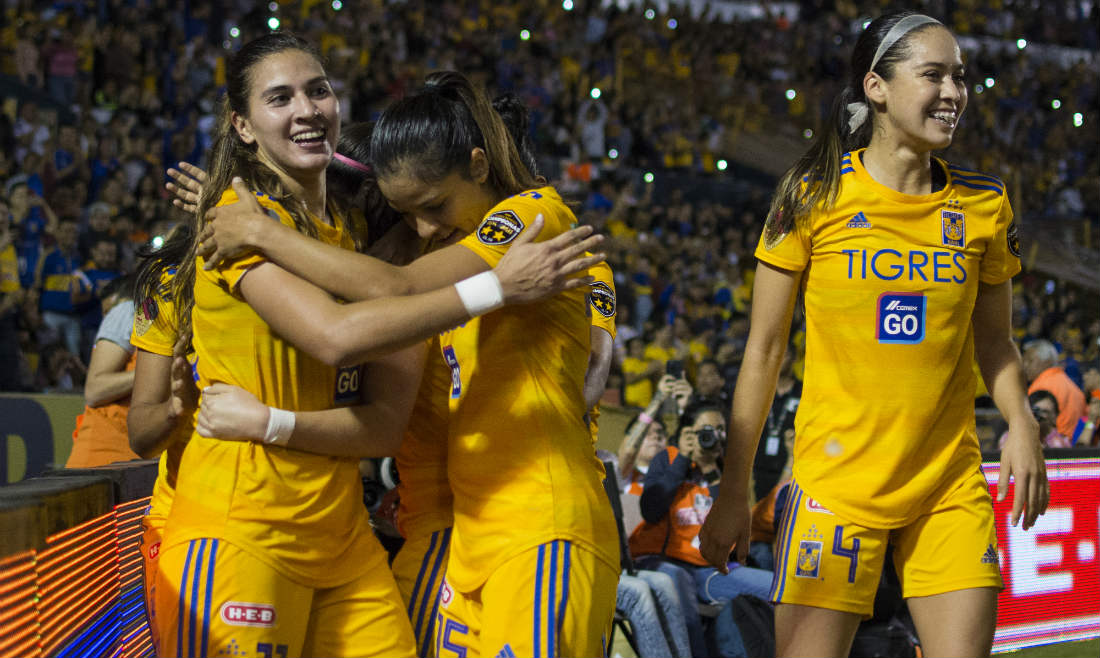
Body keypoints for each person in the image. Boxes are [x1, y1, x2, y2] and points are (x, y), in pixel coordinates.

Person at [197, 70, 618, 657]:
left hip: (543, 520)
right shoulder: (456, 249)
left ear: (477, 166)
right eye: (406, 214)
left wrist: (261, 232)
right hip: (472, 529)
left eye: (434, 206)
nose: (424, 227)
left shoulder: (531, 216)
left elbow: (394, 286)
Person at [697, 13, 1048, 658]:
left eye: (961, 78)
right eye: (934, 75)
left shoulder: (986, 205)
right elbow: (764, 350)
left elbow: (994, 342)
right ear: (877, 88)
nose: (954, 92)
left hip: (948, 484)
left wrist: (1021, 423)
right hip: (836, 490)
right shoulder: (810, 194)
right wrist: (733, 490)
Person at [65, 274, 142, 467]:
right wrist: (155, 372)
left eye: (108, 311)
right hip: (107, 459)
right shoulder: (126, 310)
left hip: (127, 459)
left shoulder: (129, 309)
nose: (107, 321)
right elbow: (95, 390)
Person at [1024, 339, 1087, 439]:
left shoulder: (1040, 386)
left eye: (1030, 361)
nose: (1025, 365)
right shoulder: (1072, 386)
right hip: (1074, 449)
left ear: (1047, 361)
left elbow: (1030, 428)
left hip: (1052, 448)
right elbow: (1084, 421)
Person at [999, 391, 1070, 449]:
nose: (1040, 416)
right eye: (1036, 411)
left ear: (1055, 416)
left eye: (1045, 412)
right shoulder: (1011, 437)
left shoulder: (1061, 441)